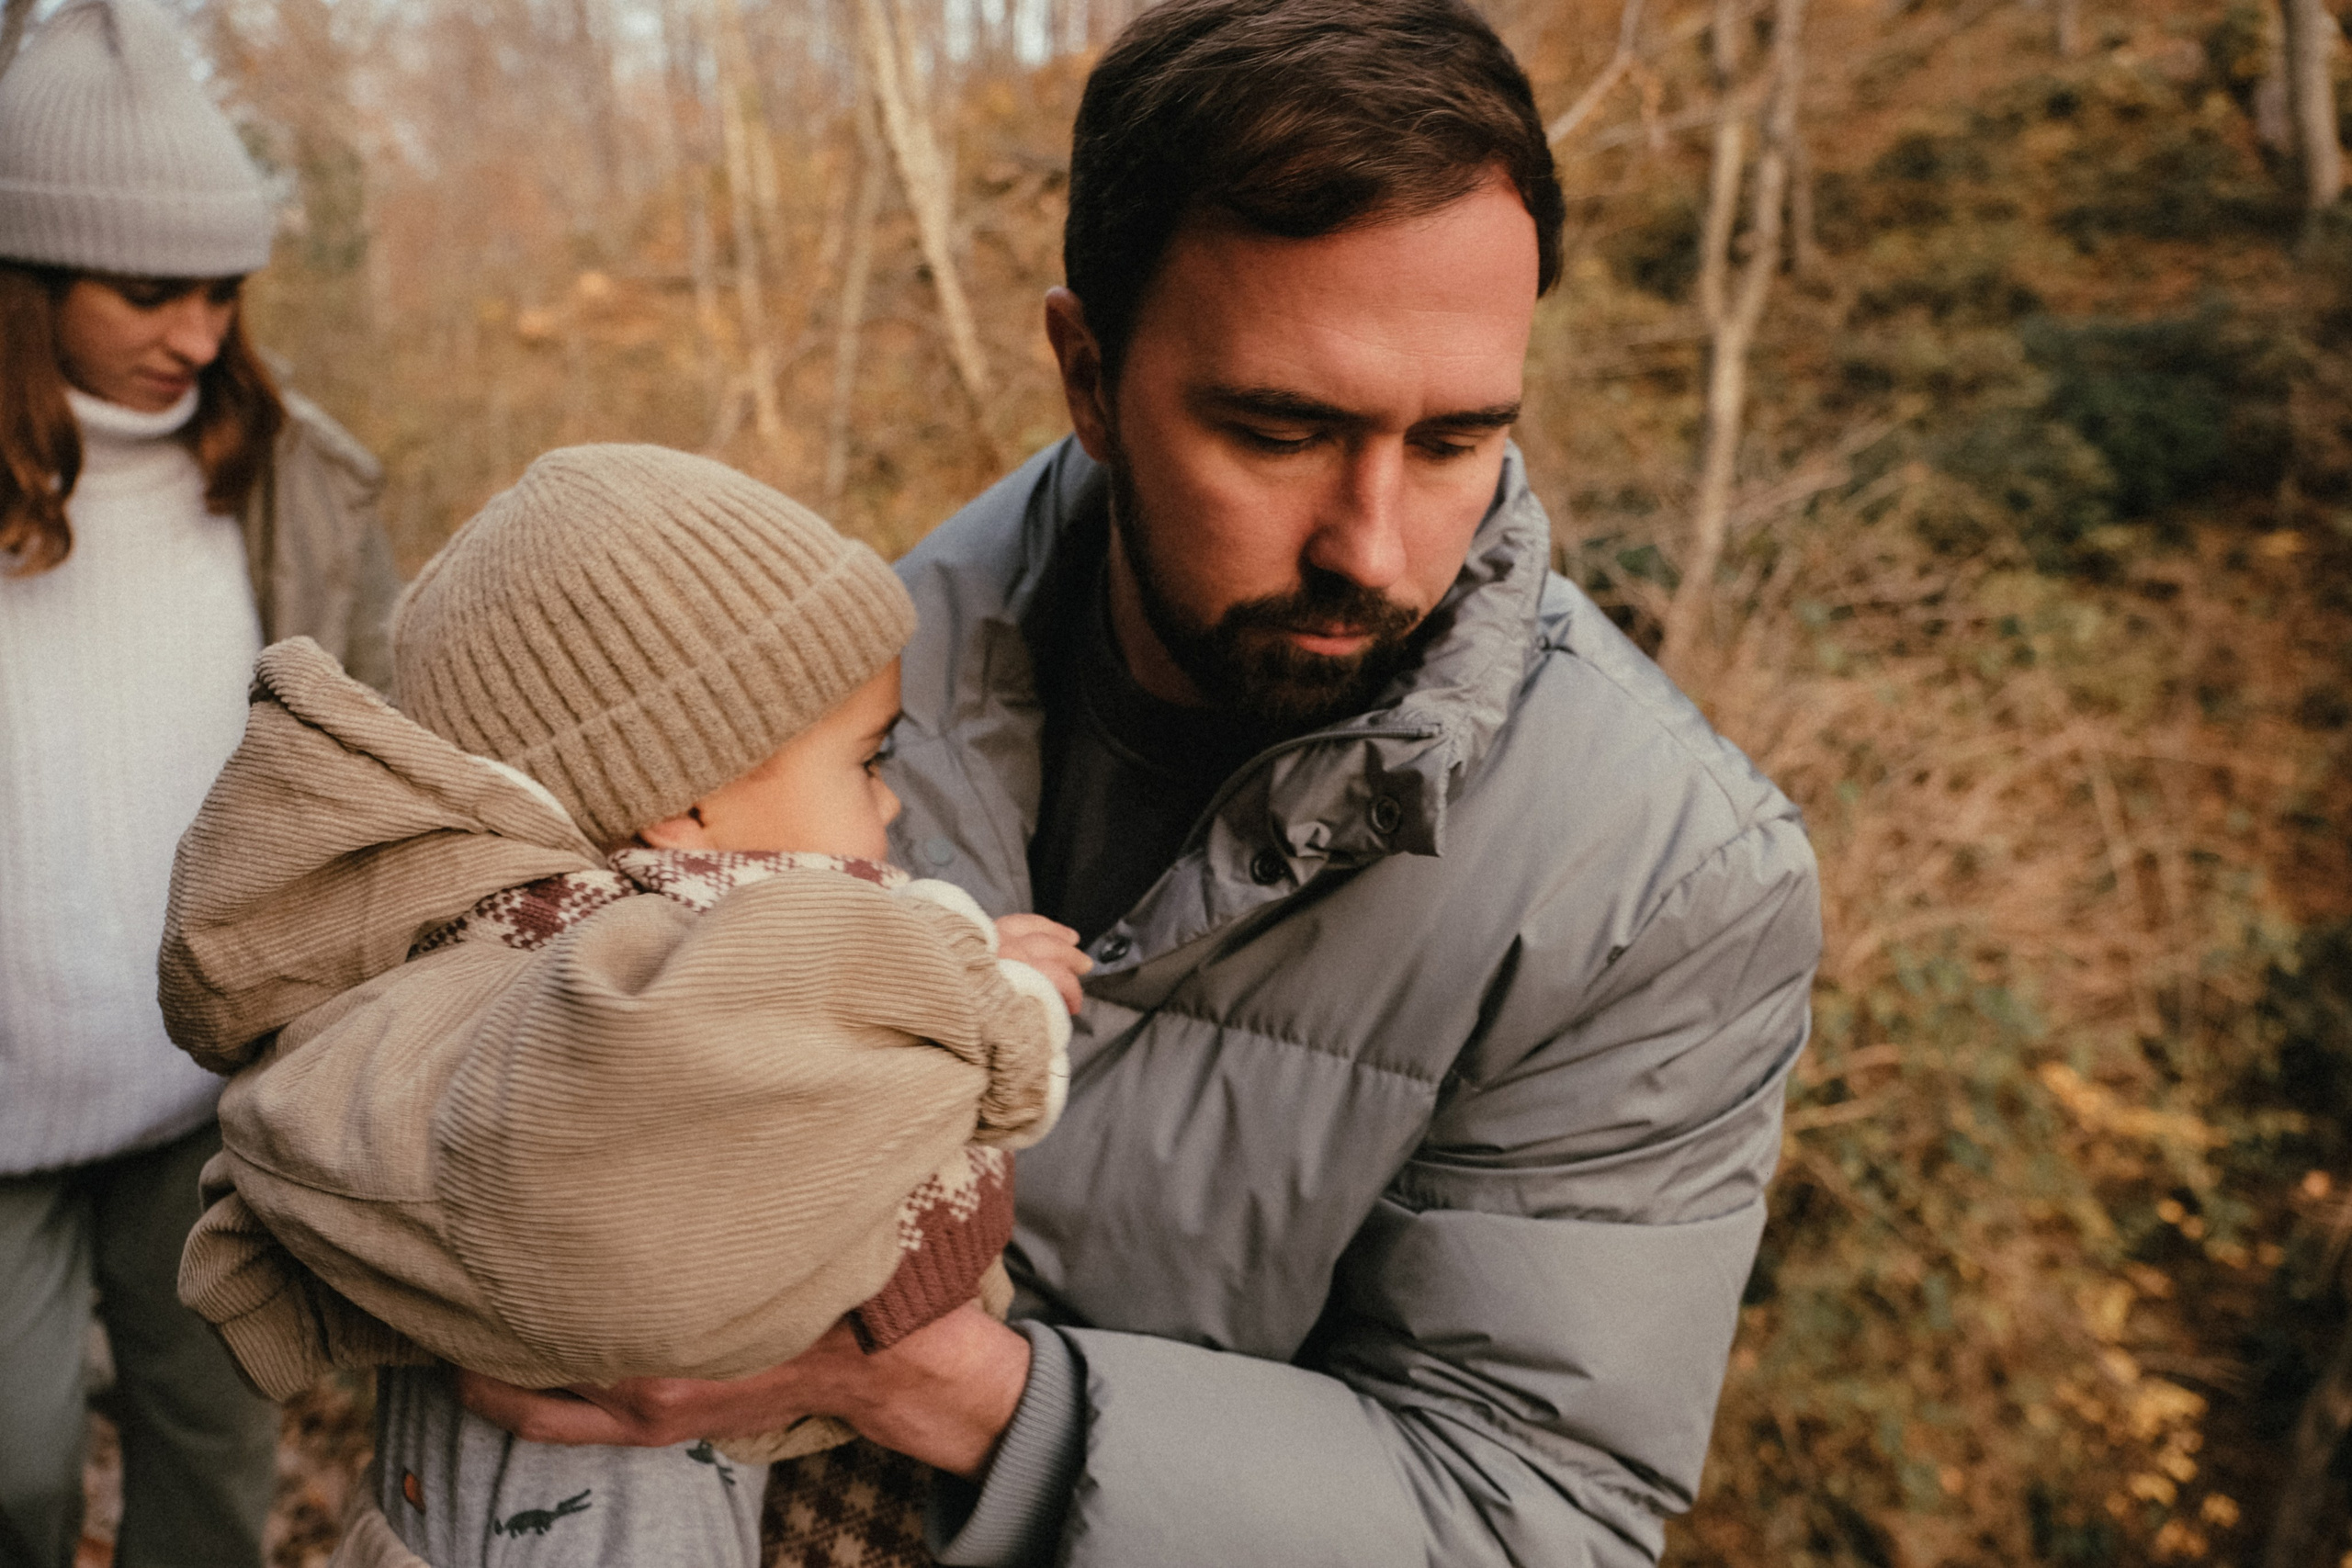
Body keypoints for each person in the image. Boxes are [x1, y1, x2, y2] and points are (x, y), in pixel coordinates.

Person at [461, 2, 1823, 1563]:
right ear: (1089, 374)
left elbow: (1534, 1513)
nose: (1372, 548)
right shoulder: (806, 689)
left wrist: (950, 1387)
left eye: (1456, 443)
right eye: (1281, 430)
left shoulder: (1664, 878)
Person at [156, 444, 1089, 1568]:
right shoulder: (588, 986)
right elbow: (757, 1066)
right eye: (866, 759)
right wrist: (995, 1002)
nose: (891, 803)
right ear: (685, 806)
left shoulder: (556, 941)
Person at [0, 1, 397, 1563]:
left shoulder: (294, 475)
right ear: (23, 284)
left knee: (215, 1463)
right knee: (16, 1474)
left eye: (225, 291)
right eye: (151, 289)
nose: (201, 333)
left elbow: (382, 745)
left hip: (205, 1095)